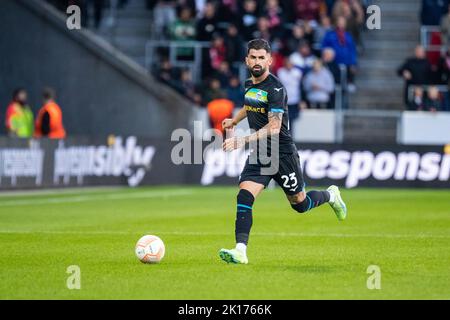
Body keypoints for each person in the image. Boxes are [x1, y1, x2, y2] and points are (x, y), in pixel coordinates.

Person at [218, 39, 347, 265]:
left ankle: (331, 195)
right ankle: (240, 251)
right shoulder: (250, 84)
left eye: (261, 57)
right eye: (253, 57)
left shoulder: (276, 89)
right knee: (244, 196)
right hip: (260, 154)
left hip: (282, 153)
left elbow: (275, 127)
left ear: (270, 60)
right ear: (246, 60)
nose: (257, 62)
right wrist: (235, 120)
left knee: (300, 204)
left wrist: (242, 140)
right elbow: (250, 105)